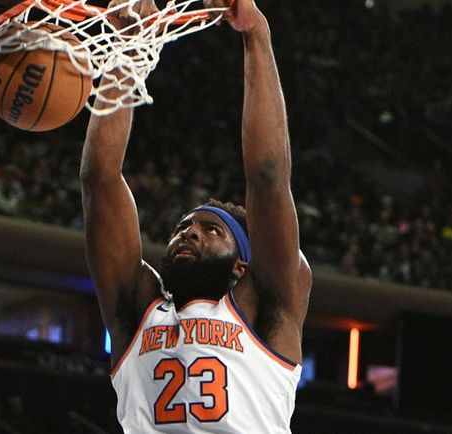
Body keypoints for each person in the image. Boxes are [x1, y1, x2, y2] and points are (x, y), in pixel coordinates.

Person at [79, 0, 312, 431]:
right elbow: (100, 177)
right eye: (184, 226)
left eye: (211, 229)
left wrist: (256, 34)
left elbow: (267, 175)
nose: (189, 233)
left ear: (243, 263)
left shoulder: (265, 306)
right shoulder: (138, 309)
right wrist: (127, 51)